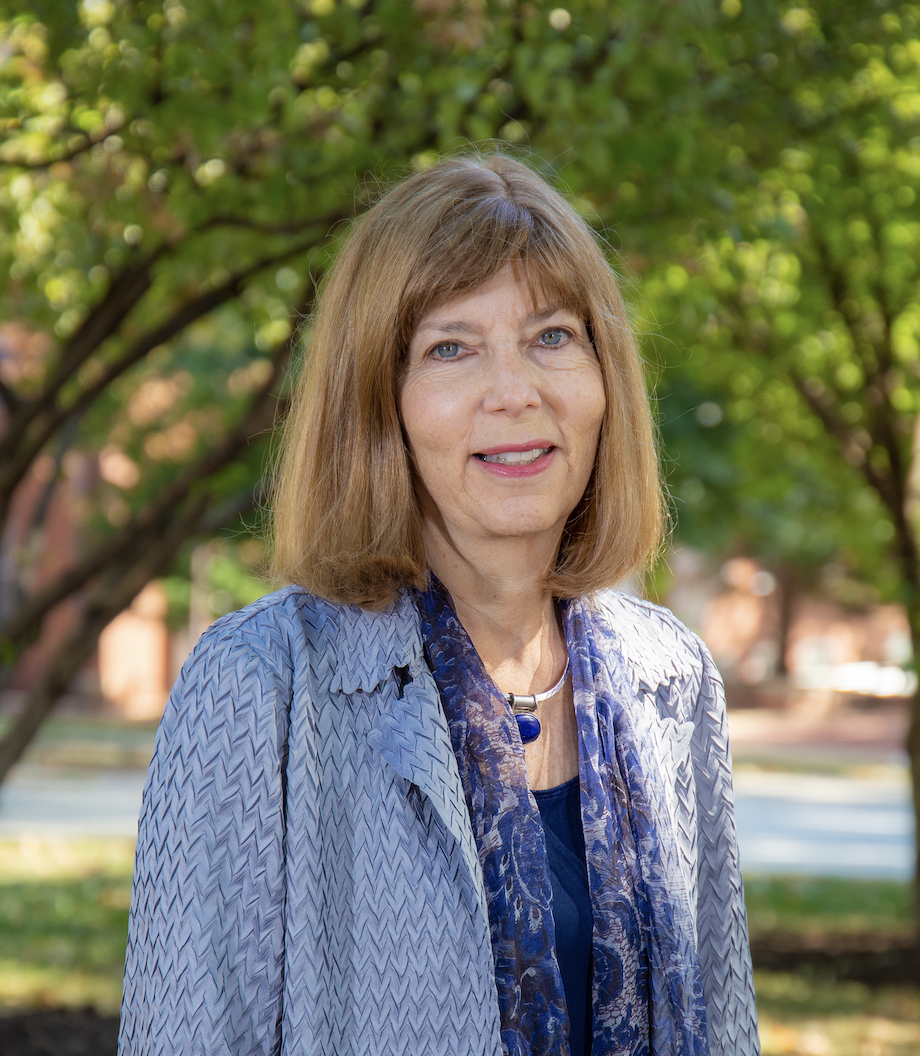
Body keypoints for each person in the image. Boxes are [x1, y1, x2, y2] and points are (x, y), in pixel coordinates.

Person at [118, 154, 760, 1056]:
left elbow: (726, 1027)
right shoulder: (262, 688)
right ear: (381, 405)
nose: (515, 391)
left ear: (605, 380)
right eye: (451, 348)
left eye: (552, 336)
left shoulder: (673, 678)